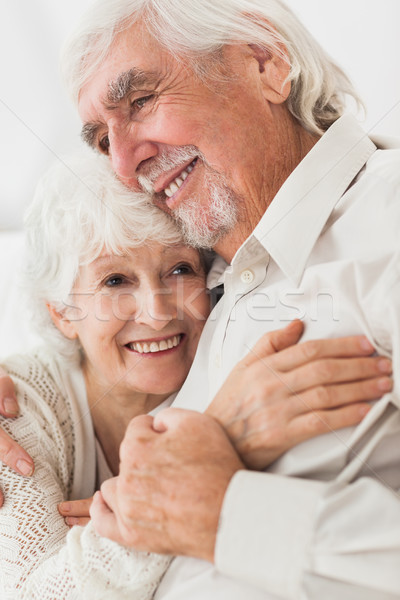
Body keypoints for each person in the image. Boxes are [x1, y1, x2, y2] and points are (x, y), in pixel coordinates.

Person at [1, 0, 400, 597]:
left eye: (140, 101)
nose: (123, 162)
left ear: (267, 63)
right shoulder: (222, 265)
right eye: (100, 138)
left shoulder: (383, 229)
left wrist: (220, 515)